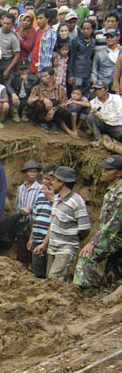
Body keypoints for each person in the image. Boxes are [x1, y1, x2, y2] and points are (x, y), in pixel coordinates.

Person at [34, 166, 91, 281]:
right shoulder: (57, 199)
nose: (52, 182)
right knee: (50, 280)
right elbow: (53, 224)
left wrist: (72, 241)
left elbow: (85, 228)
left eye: (54, 179)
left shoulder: (76, 201)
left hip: (65, 249)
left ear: (62, 182)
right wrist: (44, 244)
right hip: (53, 248)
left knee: (54, 279)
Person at [74, 155, 122, 289]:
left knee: (87, 256)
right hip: (113, 237)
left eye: (109, 170)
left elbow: (114, 223)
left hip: (116, 237)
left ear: (119, 173)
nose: (104, 172)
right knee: (114, 270)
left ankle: (82, 292)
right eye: (104, 169)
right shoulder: (113, 190)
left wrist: (94, 243)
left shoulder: (120, 192)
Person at [28, 164, 58, 278]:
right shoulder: (40, 194)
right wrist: (31, 237)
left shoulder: (59, 196)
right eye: (43, 178)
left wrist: (52, 199)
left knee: (50, 275)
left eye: (48, 178)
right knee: (37, 274)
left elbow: (56, 219)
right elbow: (35, 217)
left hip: (50, 241)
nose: (44, 181)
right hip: (36, 239)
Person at [27, 67, 76, 136]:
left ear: (52, 77)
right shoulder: (37, 88)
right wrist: (43, 99)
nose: (43, 78)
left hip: (54, 112)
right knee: (42, 105)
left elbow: (64, 103)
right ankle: (42, 123)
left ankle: (55, 124)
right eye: (42, 76)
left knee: (66, 111)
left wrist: (54, 109)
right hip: (41, 113)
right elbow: (29, 101)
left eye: (45, 76)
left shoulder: (60, 88)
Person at [86, 80, 122, 145]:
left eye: (100, 89)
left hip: (115, 126)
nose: (97, 91)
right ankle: (98, 139)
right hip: (102, 125)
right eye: (96, 89)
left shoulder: (116, 98)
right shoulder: (94, 102)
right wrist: (95, 114)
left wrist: (104, 117)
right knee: (90, 116)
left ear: (106, 89)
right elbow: (93, 118)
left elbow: (118, 114)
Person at [68, 19, 96, 94]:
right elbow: (71, 58)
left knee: (86, 95)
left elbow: (93, 59)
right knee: (76, 94)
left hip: (88, 73)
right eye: (84, 29)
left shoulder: (93, 42)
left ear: (92, 29)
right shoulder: (76, 41)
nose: (86, 31)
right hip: (77, 73)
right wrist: (71, 75)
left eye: (88, 29)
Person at [7, 58, 38, 122]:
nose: (23, 71)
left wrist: (26, 82)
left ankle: (25, 114)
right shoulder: (13, 75)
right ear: (18, 69)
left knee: (33, 99)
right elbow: (8, 85)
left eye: (25, 69)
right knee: (11, 96)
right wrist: (13, 94)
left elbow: (33, 91)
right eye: (21, 69)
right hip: (16, 98)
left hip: (27, 98)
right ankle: (14, 114)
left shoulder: (34, 78)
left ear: (29, 69)